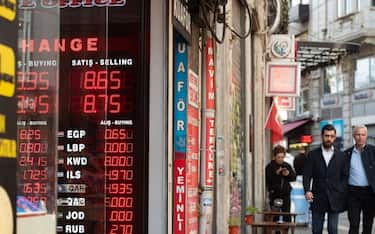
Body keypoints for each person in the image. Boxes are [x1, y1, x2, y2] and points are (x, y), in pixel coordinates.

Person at [303, 124, 348, 234]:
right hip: (318, 197)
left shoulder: (341, 156)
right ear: (322, 136)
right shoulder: (312, 155)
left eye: (332, 136)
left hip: (335, 197)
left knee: (333, 230)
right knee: (316, 230)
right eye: (327, 136)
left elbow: (345, 176)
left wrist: (340, 189)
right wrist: (307, 190)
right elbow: (307, 175)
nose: (329, 139)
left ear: (335, 137)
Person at [345, 125, 375, 234]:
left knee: (368, 224)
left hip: (369, 193)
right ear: (353, 136)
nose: (360, 137)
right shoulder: (347, 153)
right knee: (353, 224)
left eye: (363, 134)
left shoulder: (373, 151)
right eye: (358, 134)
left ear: (366, 136)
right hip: (353, 193)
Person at [265, 145, 296, 222]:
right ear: (274, 156)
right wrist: (276, 174)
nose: (280, 159)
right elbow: (268, 181)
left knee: (287, 215)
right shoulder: (269, 166)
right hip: (275, 194)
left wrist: (288, 174)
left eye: (282, 157)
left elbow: (293, 178)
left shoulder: (286, 165)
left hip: (285, 194)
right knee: (275, 217)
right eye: (279, 157)